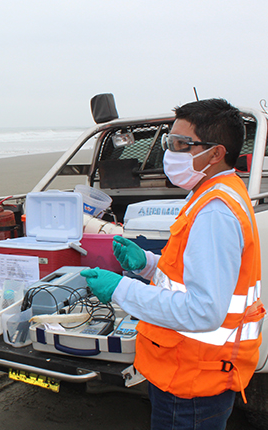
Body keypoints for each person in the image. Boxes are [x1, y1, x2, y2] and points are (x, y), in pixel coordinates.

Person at [81, 99, 265, 430]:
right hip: (187, 368)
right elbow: (188, 275)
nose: (169, 151)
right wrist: (147, 265)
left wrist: (121, 289)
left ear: (215, 153)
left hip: (193, 380)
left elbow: (204, 310)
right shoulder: (209, 192)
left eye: (181, 144)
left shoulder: (215, 212)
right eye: (169, 141)